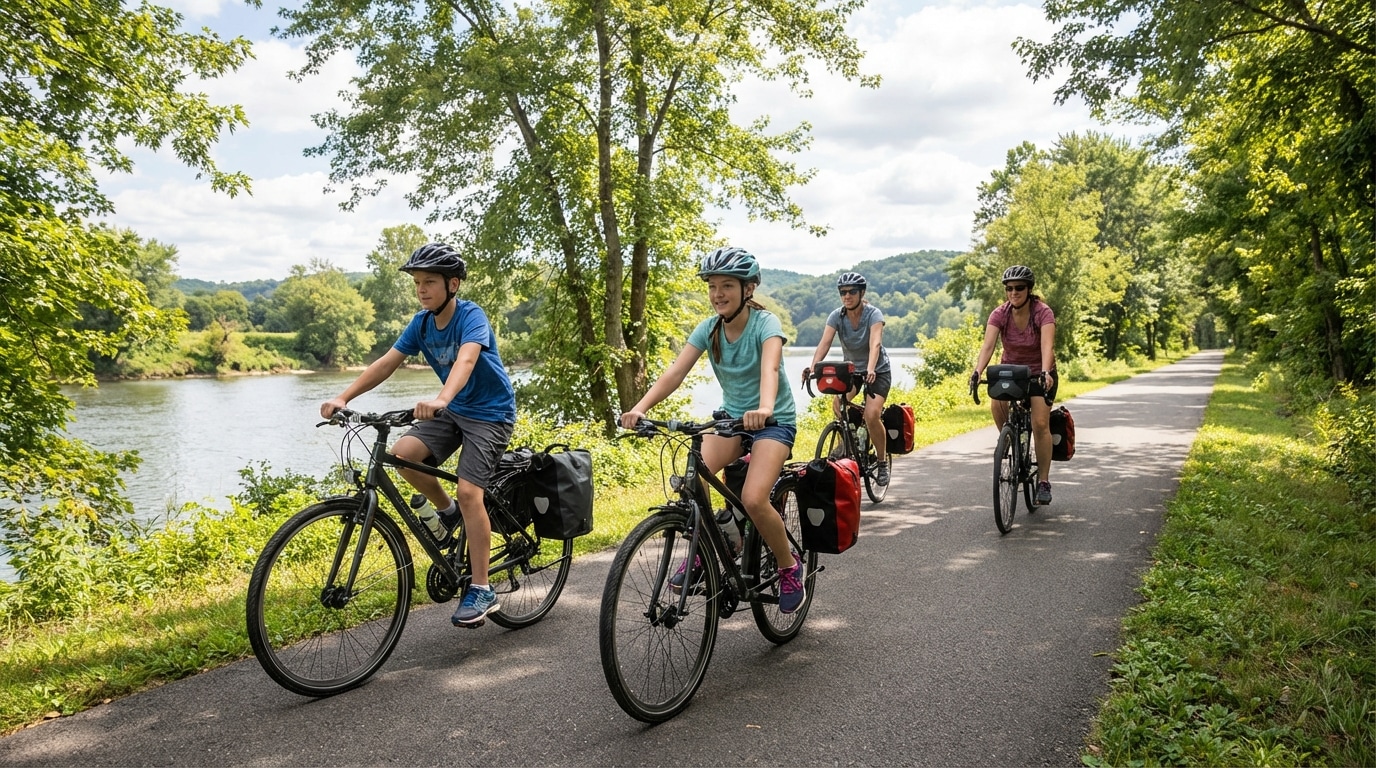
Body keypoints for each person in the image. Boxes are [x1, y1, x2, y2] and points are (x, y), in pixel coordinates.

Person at [321, 242, 517, 628]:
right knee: (404, 453)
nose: (422, 289)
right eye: (417, 283)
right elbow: (386, 363)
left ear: (453, 284)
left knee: (469, 492)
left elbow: (467, 358)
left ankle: (482, 587)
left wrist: (442, 397)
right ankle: (447, 515)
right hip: (454, 410)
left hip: (489, 414)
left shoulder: (470, 316)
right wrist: (343, 396)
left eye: (430, 281)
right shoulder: (421, 323)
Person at [618, 246, 806, 613]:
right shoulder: (710, 329)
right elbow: (675, 372)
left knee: (753, 499)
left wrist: (765, 407)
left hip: (772, 422)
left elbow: (769, 368)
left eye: (727, 286)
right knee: (694, 478)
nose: (718, 294)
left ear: (747, 289)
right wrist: (639, 408)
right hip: (731, 421)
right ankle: (711, 546)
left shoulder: (765, 324)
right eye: (712, 286)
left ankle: (788, 567)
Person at [969, 264, 1058, 504]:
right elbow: (988, 346)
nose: (1014, 292)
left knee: (1040, 423)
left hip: (1039, 372)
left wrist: (1047, 372)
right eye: (1009, 288)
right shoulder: (1000, 313)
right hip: (1011, 371)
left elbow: (1047, 347)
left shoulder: (1042, 312)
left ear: (1029, 290)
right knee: (996, 403)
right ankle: (1009, 442)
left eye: (1019, 288)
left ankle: (1043, 481)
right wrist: (977, 372)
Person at [801, 271, 893, 486]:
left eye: (852, 292)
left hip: (877, 370)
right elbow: (824, 343)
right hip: (852, 370)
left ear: (862, 293)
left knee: (872, 415)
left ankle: (881, 463)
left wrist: (870, 368)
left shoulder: (873, 314)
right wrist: (813, 367)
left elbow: (875, 344)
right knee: (837, 404)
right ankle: (850, 439)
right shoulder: (836, 316)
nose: (847, 296)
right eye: (843, 292)